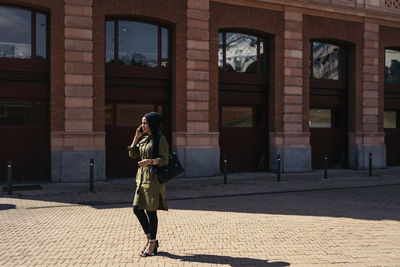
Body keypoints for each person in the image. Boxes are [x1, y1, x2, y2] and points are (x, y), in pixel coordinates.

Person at [127, 112, 169, 257]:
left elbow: (165, 160)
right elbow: (132, 154)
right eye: (142, 123)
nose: (142, 126)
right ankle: (150, 239)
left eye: (145, 123)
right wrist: (136, 137)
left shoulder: (160, 139)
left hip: (153, 180)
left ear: (152, 124)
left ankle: (152, 243)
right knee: (137, 209)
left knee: (151, 211)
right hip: (141, 178)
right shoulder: (143, 139)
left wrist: (150, 161)